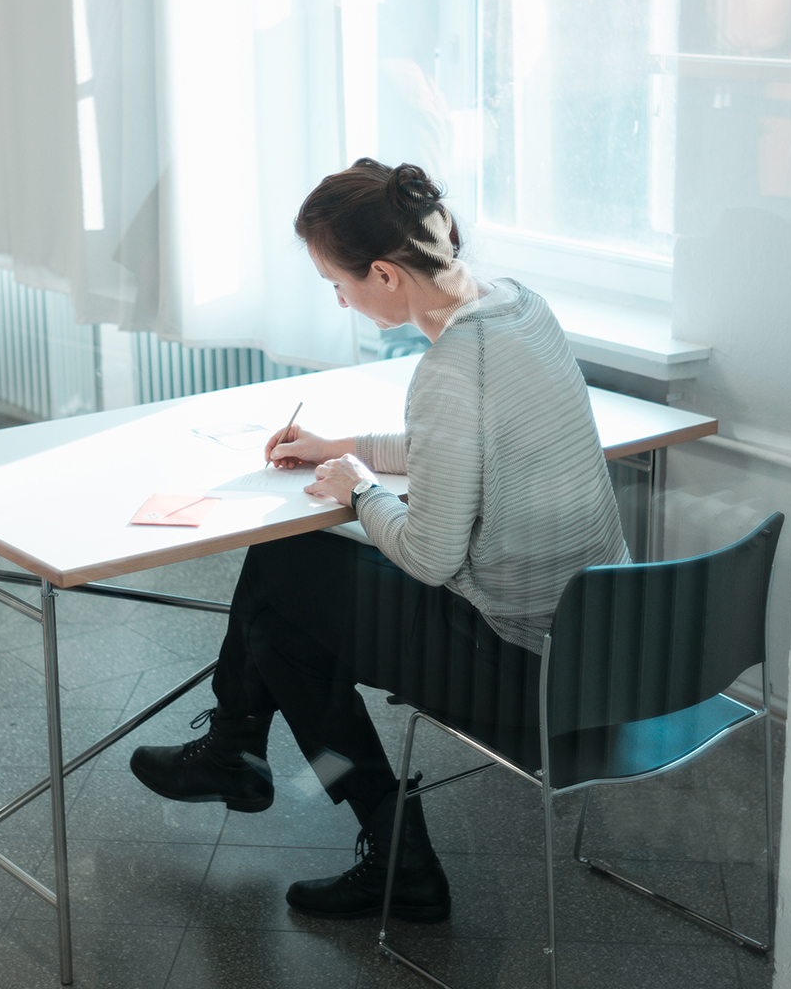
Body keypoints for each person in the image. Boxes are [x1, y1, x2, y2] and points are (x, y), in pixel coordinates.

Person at [129, 158, 628, 921]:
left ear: (388, 275)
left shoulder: (452, 366)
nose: (337, 298)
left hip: (523, 665)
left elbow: (430, 555)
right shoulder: (519, 307)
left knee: (281, 615)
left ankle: (376, 840)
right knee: (286, 585)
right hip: (604, 641)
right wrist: (343, 446)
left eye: (338, 282)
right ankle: (241, 753)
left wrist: (357, 490)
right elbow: (461, 442)